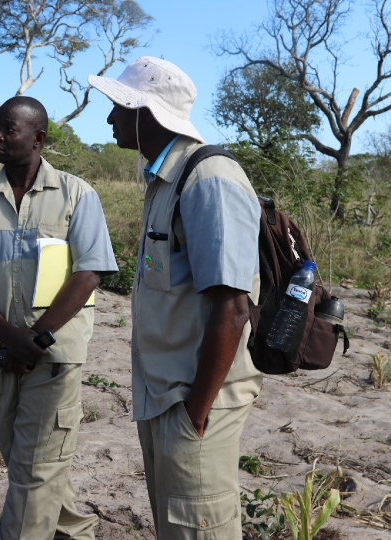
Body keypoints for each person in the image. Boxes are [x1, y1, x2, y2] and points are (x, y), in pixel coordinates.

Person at [88, 57, 262, 539]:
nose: (111, 118)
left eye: (119, 107)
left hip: (194, 402)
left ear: (149, 113)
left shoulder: (209, 179)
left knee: (199, 528)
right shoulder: (164, 181)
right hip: (165, 400)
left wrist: (195, 415)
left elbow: (233, 308)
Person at [0, 96, 118, 540]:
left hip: (55, 357)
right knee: (28, 464)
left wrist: (37, 338)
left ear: (38, 138)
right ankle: (76, 534)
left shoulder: (77, 195)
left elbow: (89, 273)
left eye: (10, 129)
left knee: (34, 471)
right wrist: (11, 338)